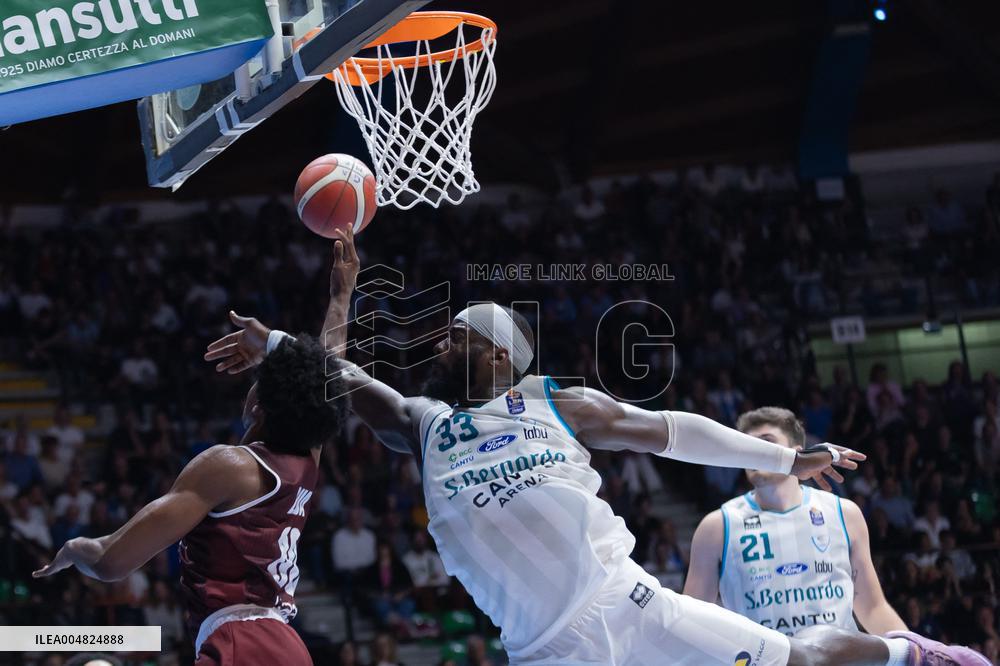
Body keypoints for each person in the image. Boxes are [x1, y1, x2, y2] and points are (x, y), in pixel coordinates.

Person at [207, 231, 986, 666]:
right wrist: (281, 336)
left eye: (460, 332)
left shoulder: (554, 399)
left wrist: (788, 458)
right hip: (542, 651)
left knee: (804, 662)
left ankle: (913, 658)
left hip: (627, 603)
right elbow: (333, 377)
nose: (442, 341)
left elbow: (671, 430)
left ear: (504, 354)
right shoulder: (423, 422)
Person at [33, 232, 357, 665]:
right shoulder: (306, 462)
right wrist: (341, 294)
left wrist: (75, 548)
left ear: (259, 404)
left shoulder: (228, 466)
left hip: (242, 642)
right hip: (286, 647)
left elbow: (112, 561)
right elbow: (327, 377)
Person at [684, 407, 908, 638]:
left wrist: (921, 652)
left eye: (766, 442)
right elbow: (691, 624)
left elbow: (872, 608)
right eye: (748, 446)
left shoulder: (844, 513)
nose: (754, 453)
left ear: (797, 454)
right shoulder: (716, 527)